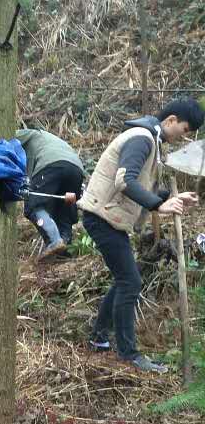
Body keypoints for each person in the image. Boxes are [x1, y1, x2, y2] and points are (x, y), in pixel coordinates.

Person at [77, 99, 202, 372]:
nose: (185, 136)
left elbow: (140, 189)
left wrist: (172, 197)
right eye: (185, 128)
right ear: (170, 120)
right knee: (130, 281)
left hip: (110, 218)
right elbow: (125, 181)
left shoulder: (151, 141)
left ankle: (99, 338)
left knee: (126, 278)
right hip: (102, 216)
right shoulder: (142, 138)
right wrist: (159, 205)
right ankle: (129, 354)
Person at [16, 128, 85, 258]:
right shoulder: (50, 140)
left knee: (34, 206)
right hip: (76, 168)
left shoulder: (30, 134)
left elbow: (7, 138)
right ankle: (64, 253)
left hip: (50, 164)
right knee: (64, 211)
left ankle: (54, 241)